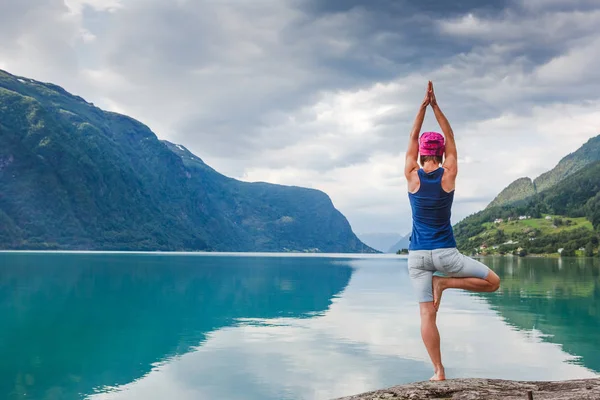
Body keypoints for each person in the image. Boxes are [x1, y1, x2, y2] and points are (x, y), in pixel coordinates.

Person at [404, 81, 501, 381]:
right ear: (442, 153)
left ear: (420, 155)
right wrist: (436, 106)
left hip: (418, 257)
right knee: (494, 282)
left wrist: (421, 107)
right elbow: (451, 135)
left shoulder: (411, 176)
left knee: (426, 315)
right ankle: (445, 284)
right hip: (447, 256)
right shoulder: (449, 174)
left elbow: (411, 136)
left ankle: (438, 371)